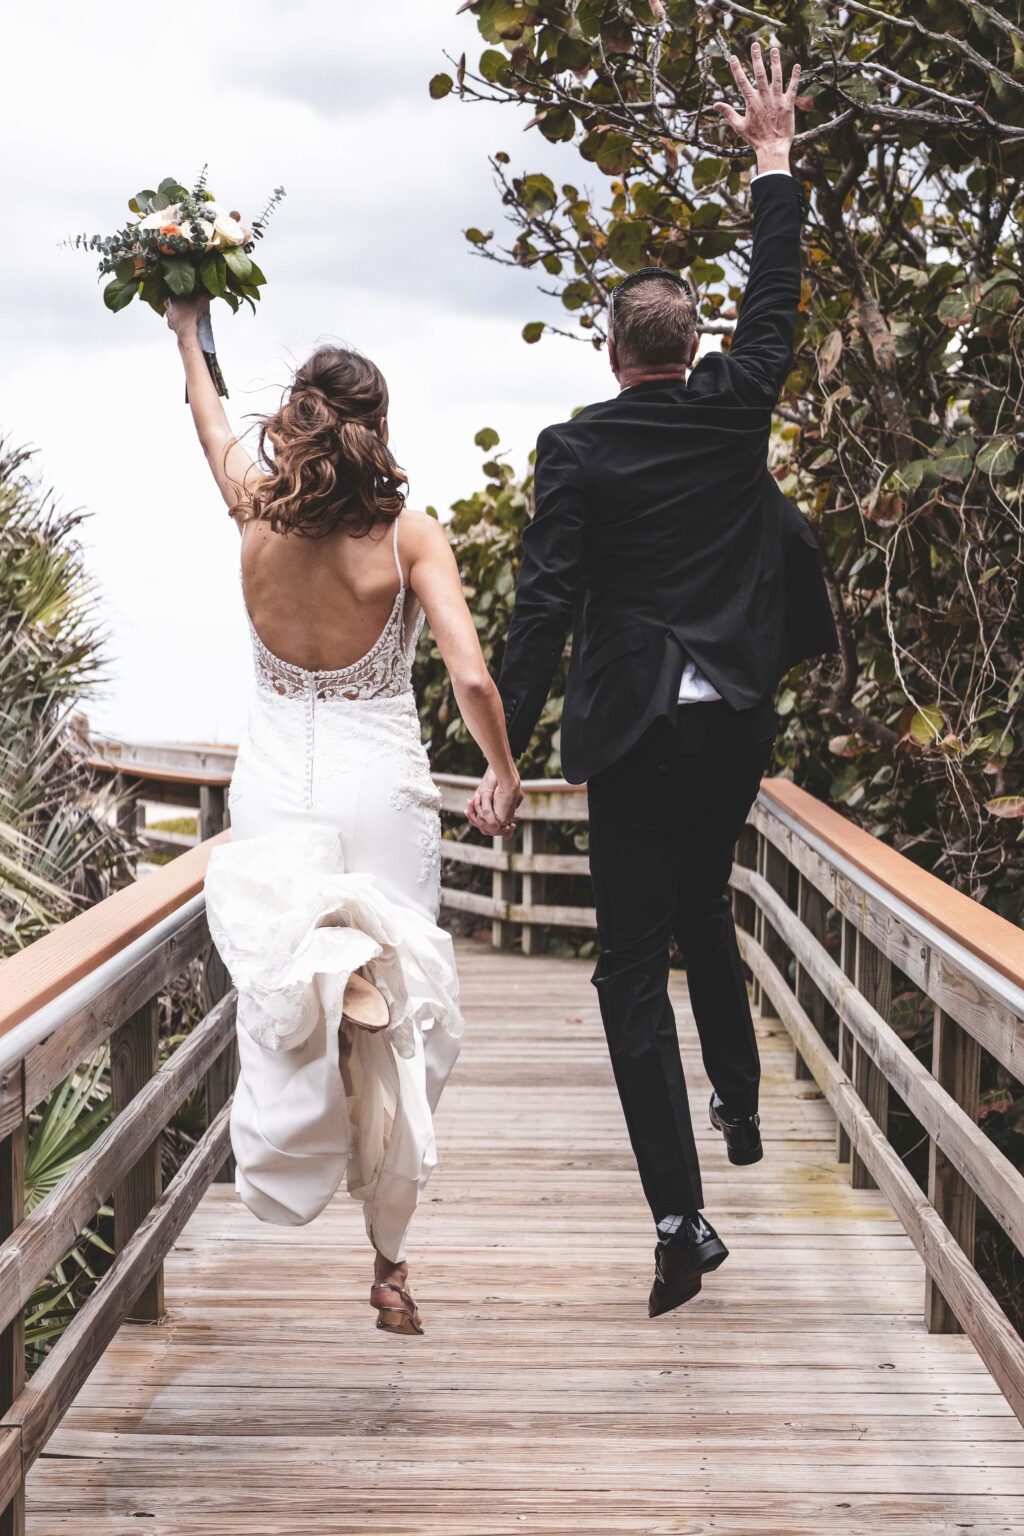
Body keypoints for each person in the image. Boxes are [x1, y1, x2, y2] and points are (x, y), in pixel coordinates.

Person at [469, 43, 838, 1318]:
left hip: (628, 729)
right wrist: (770, 155)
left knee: (632, 966)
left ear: (609, 345)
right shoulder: (734, 410)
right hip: (730, 720)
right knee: (706, 907)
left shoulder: (574, 450)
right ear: (691, 348)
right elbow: (778, 297)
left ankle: (680, 1216)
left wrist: (502, 755)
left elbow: (542, 609)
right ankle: (737, 1099)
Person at [163, 307, 522, 1334]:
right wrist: (500, 773)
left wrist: (188, 332)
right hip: (379, 782)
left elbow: (207, 414)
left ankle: (326, 991)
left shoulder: (252, 510)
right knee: (411, 1014)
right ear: (377, 424)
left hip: (277, 781)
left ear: (301, 419)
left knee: (282, 978)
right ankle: (390, 1258)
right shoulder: (406, 533)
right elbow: (470, 673)